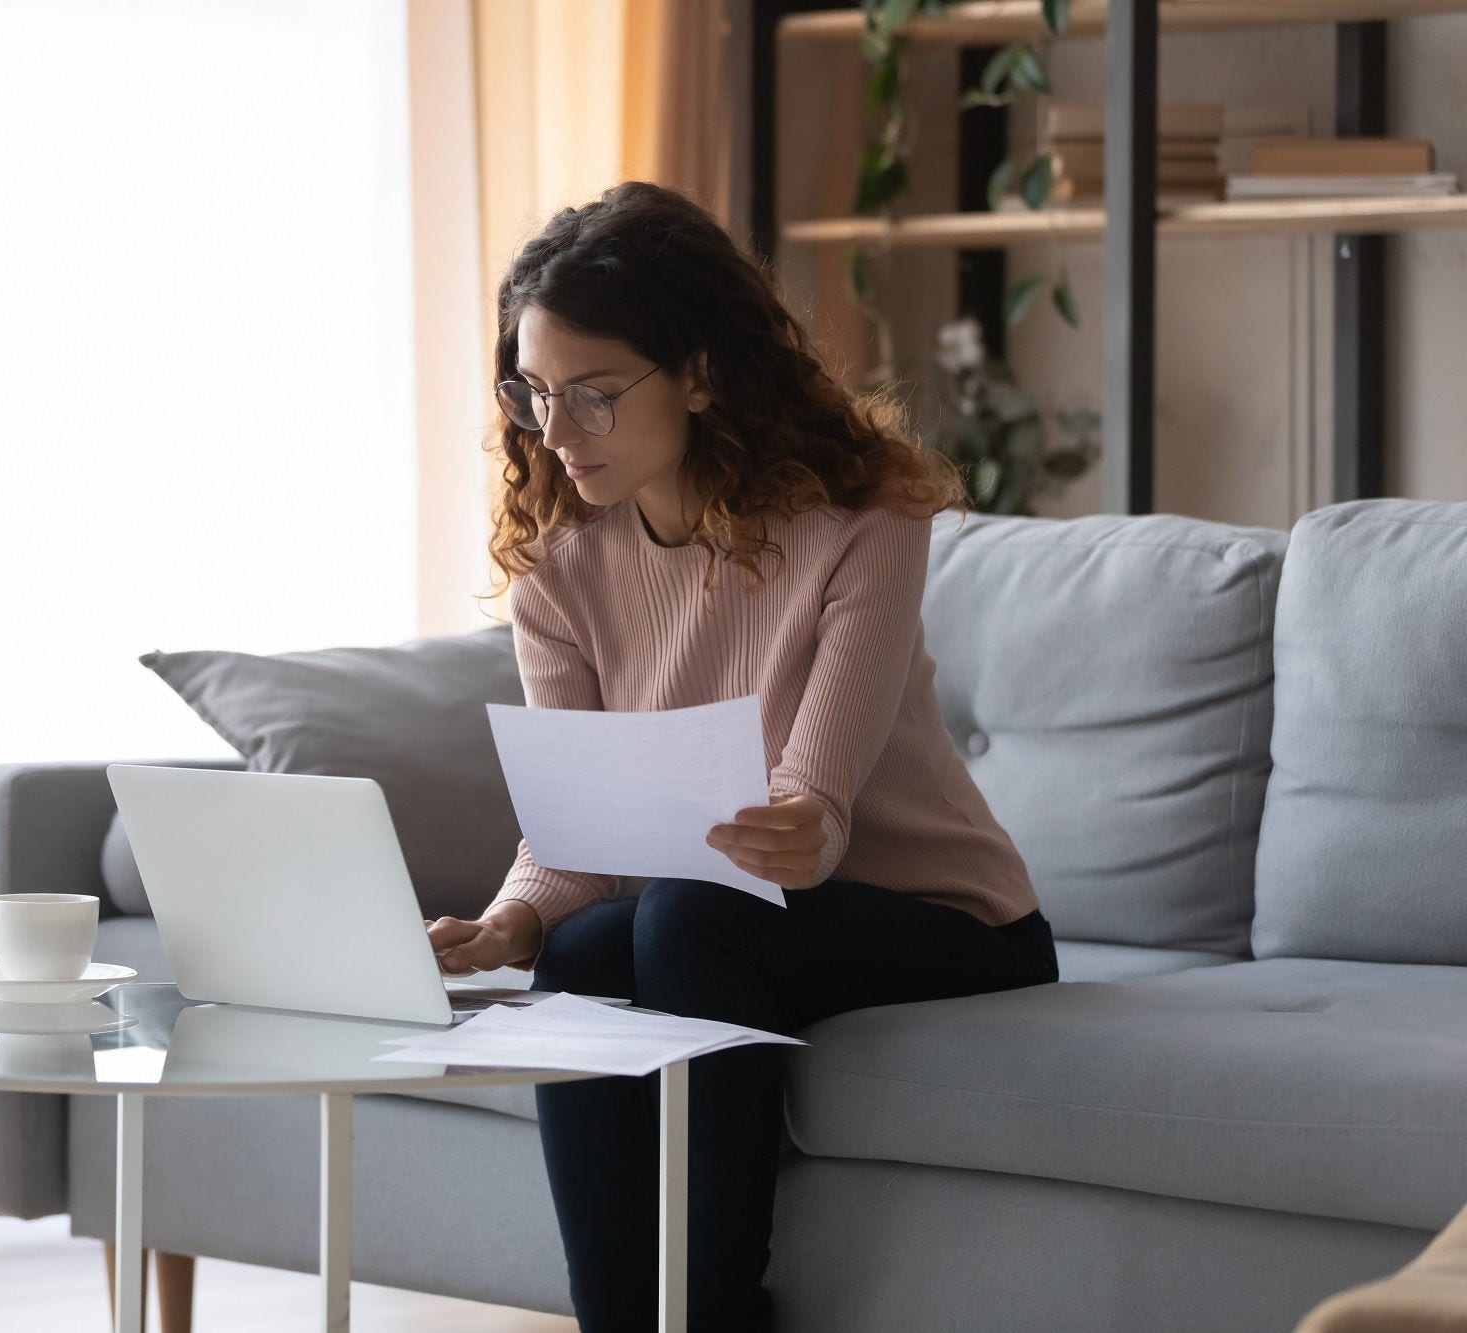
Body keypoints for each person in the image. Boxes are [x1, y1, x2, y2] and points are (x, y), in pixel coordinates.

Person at [422, 180, 1060, 1332]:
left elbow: (810, 816)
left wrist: (798, 824)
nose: (554, 435)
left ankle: (714, 1315)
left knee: (681, 917)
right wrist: (510, 920)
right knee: (583, 944)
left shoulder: (863, 519)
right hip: (725, 917)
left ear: (702, 374)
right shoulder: (558, 569)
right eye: (533, 395)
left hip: (945, 923)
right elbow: (578, 838)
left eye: (594, 396)